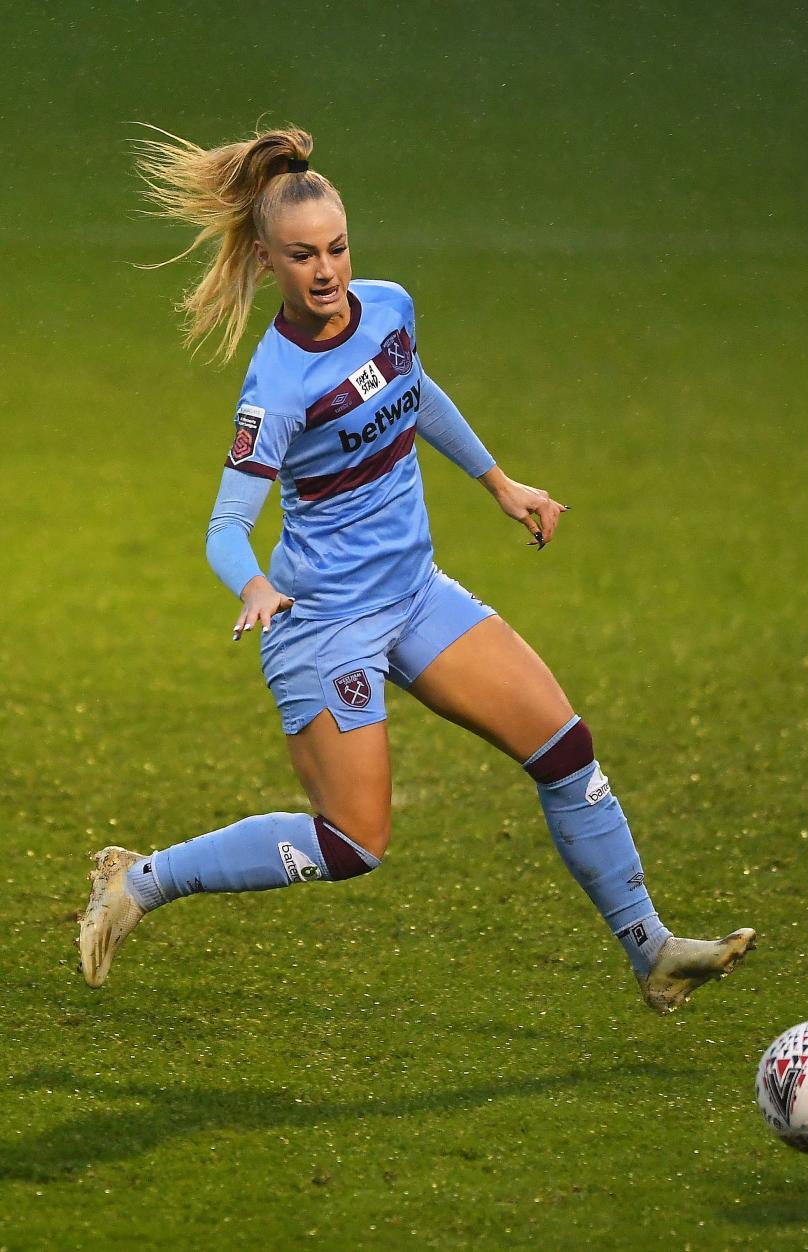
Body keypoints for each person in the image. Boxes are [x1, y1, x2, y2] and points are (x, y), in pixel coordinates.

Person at [79, 123, 756, 1012]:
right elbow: (223, 525)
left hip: (414, 594)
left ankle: (652, 951)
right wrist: (251, 583)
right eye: (302, 256)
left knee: (565, 750)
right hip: (323, 624)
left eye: (338, 248)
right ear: (267, 261)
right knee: (354, 841)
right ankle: (142, 880)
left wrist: (499, 482)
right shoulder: (274, 388)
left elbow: (413, 388)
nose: (326, 271)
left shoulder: (390, 306)